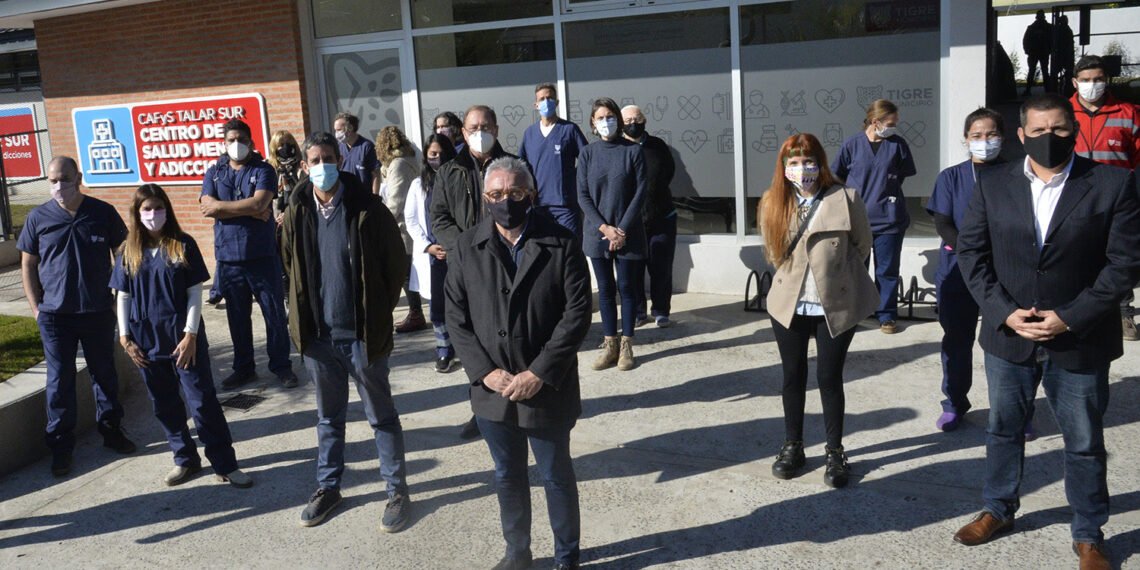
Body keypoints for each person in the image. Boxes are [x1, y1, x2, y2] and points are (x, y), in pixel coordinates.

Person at [953, 94, 1140, 570]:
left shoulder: (1113, 184)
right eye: (1038, 130)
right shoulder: (993, 183)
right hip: (1009, 336)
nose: (1048, 138)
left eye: (1058, 129)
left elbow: (1124, 265)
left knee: (1083, 440)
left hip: (1079, 337)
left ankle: (1089, 533)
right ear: (1021, 135)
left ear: (1074, 131)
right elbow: (972, 256)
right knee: (1002, 429)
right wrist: (1004, 312)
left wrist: (1071, 316)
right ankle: (998, 508)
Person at [445, 156, 592, 570]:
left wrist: (539, 373)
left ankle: (567, 556)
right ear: (485, 197)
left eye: (514, 193)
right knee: (507, 475)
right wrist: (484, 372)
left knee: (556, 476)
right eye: (495, 194)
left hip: (546, 389)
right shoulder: (465, 247)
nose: (504, 201)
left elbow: (577, 315)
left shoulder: (562, 244)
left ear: (531, 196)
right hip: (492, 392)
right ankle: (518, 552)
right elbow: (456, 319)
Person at [280, 131, 412, 530]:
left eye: (328, 158)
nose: (322, 167)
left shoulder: (368, 209)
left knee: (381, 416)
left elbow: (395, 267)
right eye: (315, 160)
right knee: (328, 419)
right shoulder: (297, 210)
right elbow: (291, 266)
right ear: (305, 166)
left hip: (361, 337)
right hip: (320, 340)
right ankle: (329, 487)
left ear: (340, 160)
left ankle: (396, 491)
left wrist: (376, 314)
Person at [112, 184, 252, 488]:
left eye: (158, 208)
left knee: (202, 402)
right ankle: (184, 458)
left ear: (167, 209)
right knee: (164, 404)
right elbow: (122, 296)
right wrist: (125, 337)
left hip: (182, 338)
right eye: (146, 209)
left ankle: (225, 464)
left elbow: (193, 295)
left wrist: (190, 334)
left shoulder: (182, 244)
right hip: (144, 340)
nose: (153, 215)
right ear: (137, 214)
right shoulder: (128, 251)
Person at [759, 134, 877, 489]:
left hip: (835, 303)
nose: (803, 169)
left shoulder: (845, 197)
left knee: (829, 378)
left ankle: (835, 451)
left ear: (821, 163)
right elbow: (772, 252)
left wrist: (836, 273)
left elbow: (862, 245)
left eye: (809, 161)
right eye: (794, 162)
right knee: (792, 377)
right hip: (790, 303)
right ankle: (793, 446)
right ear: (784, 168)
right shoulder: (772, 202)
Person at [18, 156, 137, 477]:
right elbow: (28, 264)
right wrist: (35, 307)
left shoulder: (101, 213)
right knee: (59, 382)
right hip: (55, 317)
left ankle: (112, 432)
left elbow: (122, 252)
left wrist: (118, 296)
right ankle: (60, 446)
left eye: (65, 179)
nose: (59, 186)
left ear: (78, 177)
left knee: (105, 375)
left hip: (97, 311)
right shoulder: (38, 217)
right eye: (53, 180)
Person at [431, 104, 518, 440]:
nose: (479, 132)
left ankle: (515, 398)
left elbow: (528, 207)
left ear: (496, 128)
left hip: (510, 263)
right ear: (462, 132)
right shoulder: (448, 171)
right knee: (474, 340)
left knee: (510, 334)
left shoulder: (513, 166)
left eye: (485, 125)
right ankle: (481, 408)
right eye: (472, 127)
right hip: (467, 268)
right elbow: (439, 219)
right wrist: (467, 248)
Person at [200, 119, 298, 390]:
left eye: (241, 139)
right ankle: (244, 368)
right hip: (229, 259)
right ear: (224, 142)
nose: (236, 144)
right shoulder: (215, 172)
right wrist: (250, 209)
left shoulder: (264, 169)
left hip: (261, 255)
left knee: (274, 314)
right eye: (231, 140)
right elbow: (206, 207)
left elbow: (261, 201)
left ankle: (281, 366)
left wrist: (226, 207)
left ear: (252, 142)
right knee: (237, 318)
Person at [926, 108, 1007, 432]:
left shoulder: (1017, 174)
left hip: (1004, 274)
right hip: (959, 271)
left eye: (990, 135)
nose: (984, 142)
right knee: (957, 341)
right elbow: (943, 222)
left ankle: (1015, 411)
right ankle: (954, 403)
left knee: (1007, 346)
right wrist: (970, 252)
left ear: (1003, 137)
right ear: (966, 139)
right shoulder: (951, 177)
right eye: (977, 136)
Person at [1068, 54, 1140, 341]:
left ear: (1106, 80)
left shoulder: (1129, 113)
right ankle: (1073, 310)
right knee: (1074, 253)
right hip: (1073, 196)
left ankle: (1122, 313)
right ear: (1075, 83)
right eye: (1085, 80)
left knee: (1119, 257)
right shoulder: (1062, 112)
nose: (1092, 85)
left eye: (1097, 79)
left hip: (1118, 198)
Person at [832, 99, 916, 334]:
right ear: (875, 121)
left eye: (895, 123)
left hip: (889, 219)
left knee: (887, 270)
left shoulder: (897, 145)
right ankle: (856, 312)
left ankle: (886, 315)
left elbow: (902, 175)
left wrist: (884, 192)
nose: (894, 127)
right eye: (890, 123)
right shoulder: (852, 145)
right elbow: (836, 176)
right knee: (856, 269)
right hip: (856, 220)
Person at [579, 97, 648, 371]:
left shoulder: (633, 152)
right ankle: (610, 343)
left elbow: (641, 192)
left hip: (628, 233)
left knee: (628, 289)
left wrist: (621, 230)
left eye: (610, 116)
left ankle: (627, 343)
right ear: (593, 123)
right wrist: (605, 228)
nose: (606, 121)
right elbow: (583, 195)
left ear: (618, 120)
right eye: (600, 117)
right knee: (606, 290)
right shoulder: (587, 154)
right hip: (597, 233)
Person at [405, 133, 461, 373]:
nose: (437, 158)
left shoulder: (460, 179)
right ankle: (444, 350)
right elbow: (411, 218)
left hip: (458, 251)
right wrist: (427, 246)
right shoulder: (419, 184)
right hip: (433, 254)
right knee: (438, 307)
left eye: (441, 153)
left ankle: (465, 347)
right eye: (432, 155)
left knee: (463, 303)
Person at [622, 104, 677, 329]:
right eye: (628, 121)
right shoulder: (618, 147)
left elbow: (669, 172)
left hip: (662, 216)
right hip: (631, 221)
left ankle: (661, 310)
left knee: (661, 266)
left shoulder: (658, 145)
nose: (633, 124)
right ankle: (638, 311)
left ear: (644, 120)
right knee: (632, 270)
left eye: (637, 119)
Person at [518, 82, 589, 234]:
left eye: (550, 98)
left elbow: (587, 161)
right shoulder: (529, 134)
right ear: (536, 105)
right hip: (539, 205)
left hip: (566, 205)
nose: (546, 102)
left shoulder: (569, 130)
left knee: (571, 249)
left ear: (556, 102)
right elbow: (521, 167)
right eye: (542, 99)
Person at [377, 125, 428, 333]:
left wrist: (380, 219)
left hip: (401, 227)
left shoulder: (398, 165)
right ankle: (415, 312)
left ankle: (416, 313)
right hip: (408, 223)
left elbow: (396, 200)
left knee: (406, 272)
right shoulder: (410, 159)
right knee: (407, 270)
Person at [334, 111, 381, 194]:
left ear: (350, 128)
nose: (337, 134)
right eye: (335, 130)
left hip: (364, 196)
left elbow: (376, 173)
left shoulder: (366, 146)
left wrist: (375, 198)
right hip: (346, 196)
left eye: (339, 130)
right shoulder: (339, 147)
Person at [1022, 9, 1053, 96]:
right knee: (1044, 71)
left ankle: (1028, 90)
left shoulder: (1032, 28)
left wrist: (1027, 50)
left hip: (1034, 52)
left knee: (1032, 71)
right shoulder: (1048, 27)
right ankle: (1048, 90)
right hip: (1042, 52)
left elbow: (1025, 40)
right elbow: (1052, 40)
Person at [1054, 14, 1076, 97]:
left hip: (1062, 54)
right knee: (1068, 74)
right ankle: (1067, 91)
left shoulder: (1060, 30)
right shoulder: (1067, 30)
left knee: (1059, 73)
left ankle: (1060, 91)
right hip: (1066, 55)